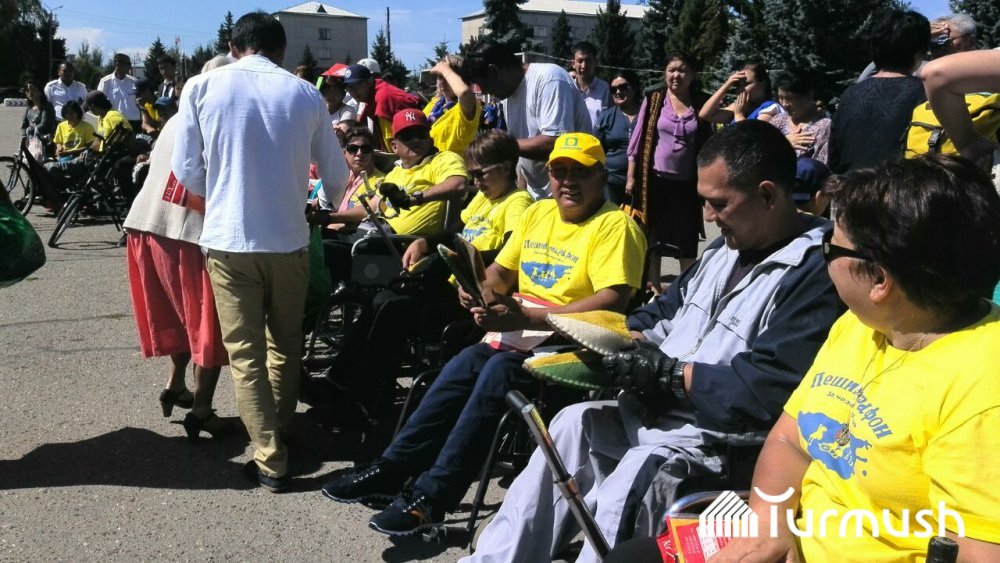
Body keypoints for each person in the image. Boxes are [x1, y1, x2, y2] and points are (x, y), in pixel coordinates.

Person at [466, 121, 844, 562]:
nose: (708, 217)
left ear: (767, 195)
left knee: (637, 473)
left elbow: (769, 387)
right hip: (655, 412)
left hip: (716, 440)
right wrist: (623, 342)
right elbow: (659, 311)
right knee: (570, 425)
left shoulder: (815, 272)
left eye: (719, 203)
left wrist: (671, 375)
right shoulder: (723, 251)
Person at [320, 133, 647, 537]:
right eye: (559, 171)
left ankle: (433, 496)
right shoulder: (540, 213)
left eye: (579, 172)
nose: (567, 181)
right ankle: (393, 467)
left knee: (497, 371)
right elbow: (501, 272)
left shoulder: (615, 226)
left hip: (574, 343)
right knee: (464, 363)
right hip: (521, 332)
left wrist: (528, 316)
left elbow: (612, 303)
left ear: (600, 175)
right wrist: (477, 288)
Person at [714, 155, 1000, 562]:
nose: (823, 255)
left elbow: (977, 551)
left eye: (829, 247)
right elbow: (788, 440)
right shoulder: (861, 325)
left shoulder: (983, 392)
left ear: (880, 279)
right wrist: (768, 522)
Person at [171, 11, 347, 492]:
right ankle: (279, 431)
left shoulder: (201, 87)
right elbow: (336, 176)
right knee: (285, 345)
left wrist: (222, 195)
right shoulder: (305, 93)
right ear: (282, 51)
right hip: (289, 240)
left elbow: (186, 169)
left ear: (234, 46)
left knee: (246, 354)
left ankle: (270, 455)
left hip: (229, 240)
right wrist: (320, 205)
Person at [123, 54, 235, 442]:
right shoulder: (216, 120)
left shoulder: (176, 118)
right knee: (208, 323)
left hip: (145, 225)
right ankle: (202, 409)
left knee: (181, 317)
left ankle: (175, 384)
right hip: (186, 232)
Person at [464, 37, 592, 200]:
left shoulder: (549, 78)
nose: (486, 93)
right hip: (539, 198)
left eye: (486, 86)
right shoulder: (508, 95)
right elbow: (523, 156)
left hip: (572, 195)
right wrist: (522, 195)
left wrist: (500, 146)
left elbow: (557, 143)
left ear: (494, 71)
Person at [626, 52, 713, 279]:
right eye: (671, 70)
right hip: (655, 181)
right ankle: (654, 286)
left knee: (687, 238)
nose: (676, 75)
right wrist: (631, 177)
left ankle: (686, 285)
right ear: (665, 73)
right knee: (653, 236)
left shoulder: (701, 102)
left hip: (688, 184)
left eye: (682, 70)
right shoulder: (654, 98)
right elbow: (637, 139)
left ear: (692, 75)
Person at [828, 9, 929, 174]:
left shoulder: (850, 94)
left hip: (850, 187)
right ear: (919, 52)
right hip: (902, 187)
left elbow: (834, 159)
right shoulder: (925, 93)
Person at [857, 14, 979, 82]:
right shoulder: (922, 73)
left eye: (944, 41)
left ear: (971, 42)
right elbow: (865, 82)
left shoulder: (983, 70)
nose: (938, 50)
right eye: (932, 44)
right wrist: (919, 35)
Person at [342, 63, 420, 152]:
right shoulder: (371, 96)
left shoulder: (383, 97)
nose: (353, 91)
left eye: (357, 85)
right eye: (349, 87)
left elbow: (390, 149)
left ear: (370, 81)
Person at [594, 69, 642, 206]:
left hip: (643, 181)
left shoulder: (648, 115)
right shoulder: (606, 117)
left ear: (634, 88)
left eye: (623, 87)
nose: (618, 92)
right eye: (613, 89)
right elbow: (597, 149)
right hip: (612, 181)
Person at [769, 70, 832, 164]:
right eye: (781, 98)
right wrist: (783, 144)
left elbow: (820, 166)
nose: (784, 104)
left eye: (789, 98)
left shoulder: (824, 126)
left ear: (808, 96)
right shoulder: (777, 121)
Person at [423, 54, 481, 155]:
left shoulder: (466, 105)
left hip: (452, 164)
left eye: (447, 77)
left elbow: (464, 93)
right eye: (440, 77)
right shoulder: (434, 104)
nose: (442, 82)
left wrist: (444, 69)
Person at [700, 61, 781, 124]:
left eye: (746, 84)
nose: (741, 89)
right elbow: (705, 115)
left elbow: (751, 136)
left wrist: (739, 115)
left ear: (762, 83)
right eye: (738, 85)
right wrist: (727, 84)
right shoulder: (740, 108)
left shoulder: (770, 108)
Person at [572, 41, 611, 128]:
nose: (584, 66)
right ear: (573, 64)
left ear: (595, 62)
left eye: (588, 61)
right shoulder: (568, 88)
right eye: (580, 61)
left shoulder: (605, 90)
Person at [98, 53, 141, 130]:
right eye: (126, 63)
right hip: (114, 122)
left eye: (129, 64)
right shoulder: (105, 82)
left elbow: (141, 103)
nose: (129, 66)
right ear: (116, 63)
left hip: (134, 122)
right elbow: (99, 103)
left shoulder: (135, 82)